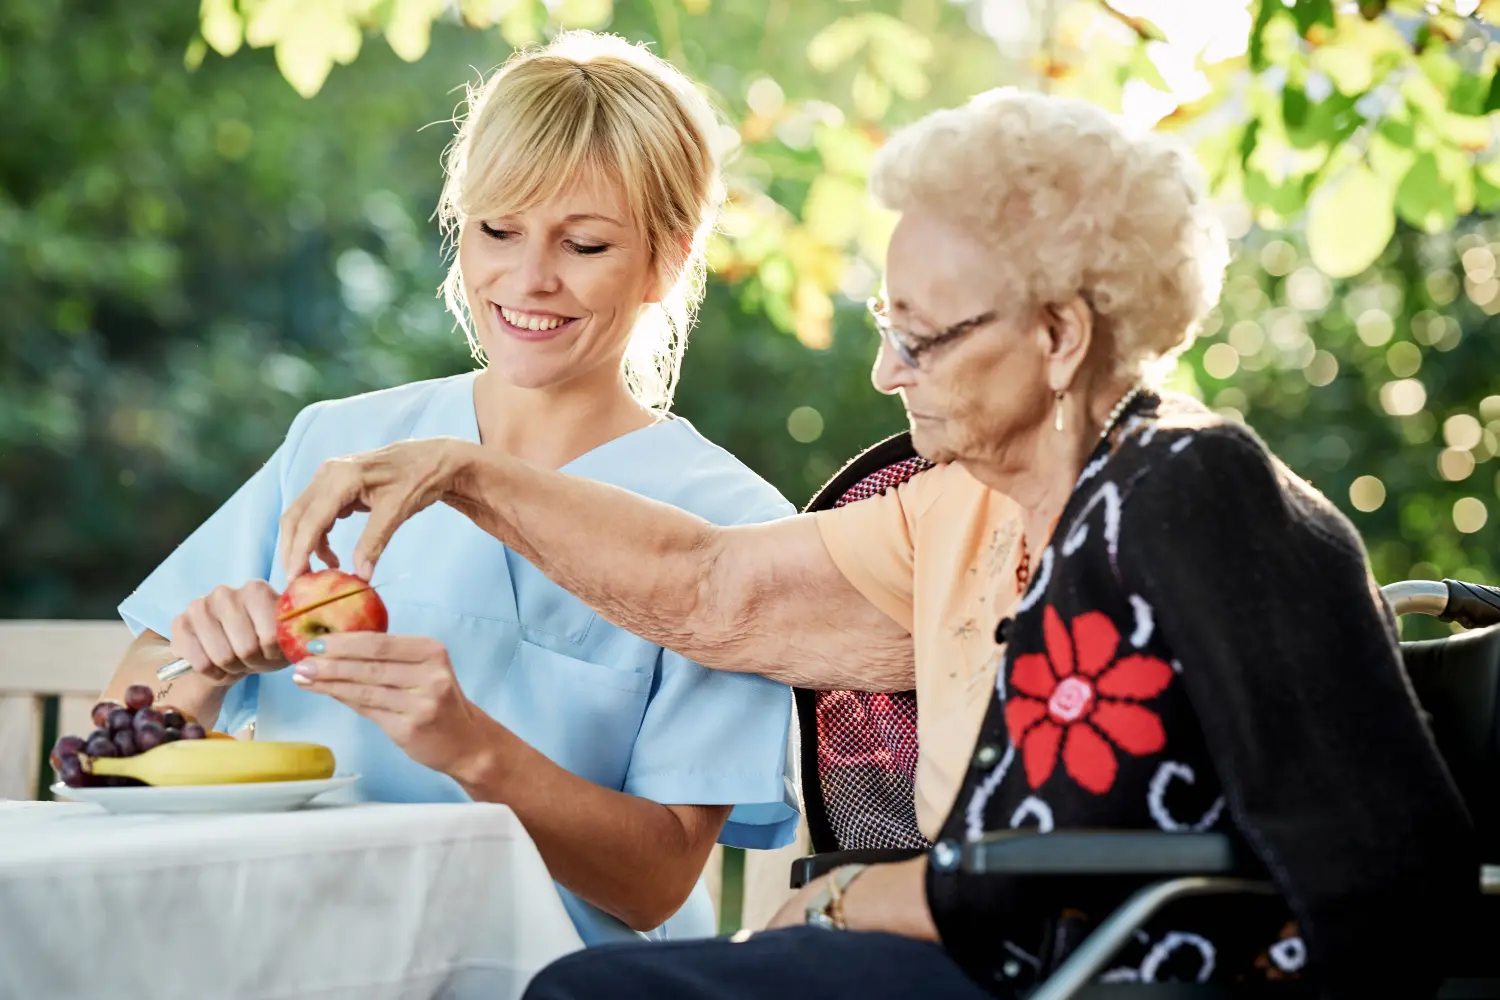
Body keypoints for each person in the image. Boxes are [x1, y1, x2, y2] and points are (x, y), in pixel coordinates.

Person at [277, 88, 1476, 996]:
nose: (882, 370)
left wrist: (855, 896)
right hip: (1000, 952)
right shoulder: (960, 502)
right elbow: (709, 587)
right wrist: (469, 474)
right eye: (883, 326)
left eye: (924, 338)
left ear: (1059, 335)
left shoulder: (1196, 485)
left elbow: (1369, 851)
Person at [101, 31, 800, 946]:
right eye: (496, 230)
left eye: (584, 244)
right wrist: (200, 675)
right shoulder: (337, 441)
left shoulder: (735, 525)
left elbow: (658, 882)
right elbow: (119, 735)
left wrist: (473, 746)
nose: (528, 279)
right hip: (301, 955)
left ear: (668, 259)